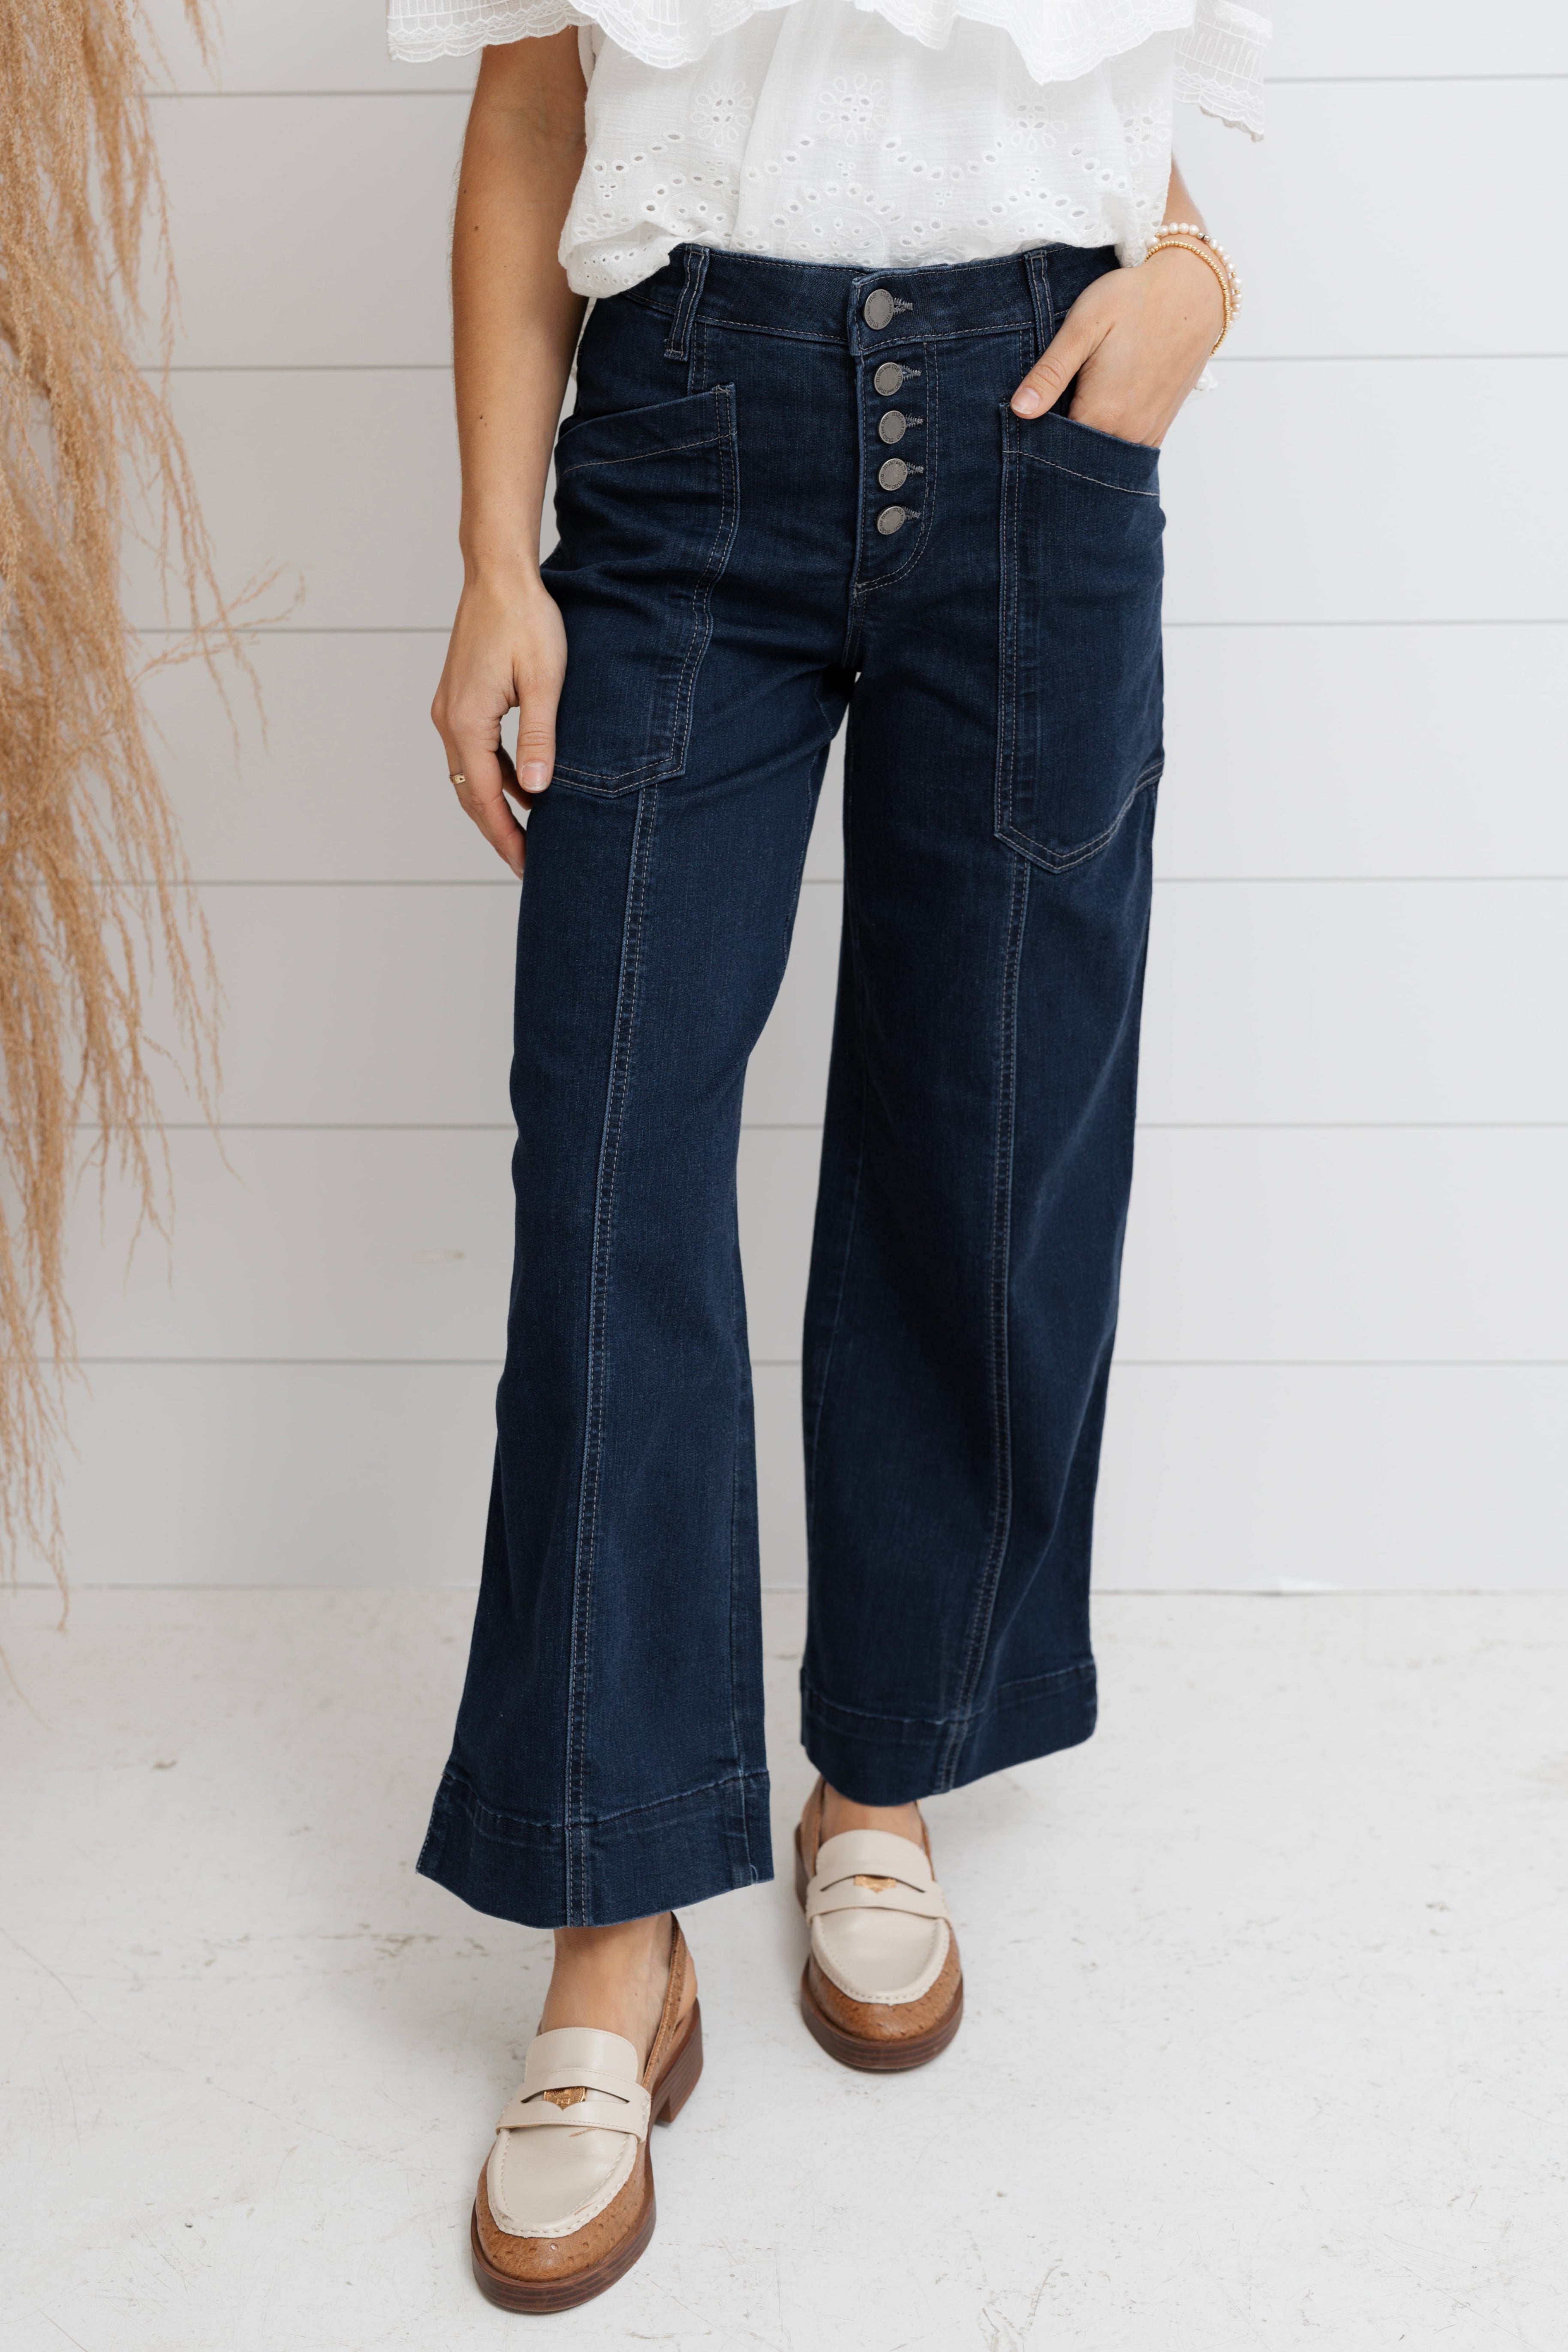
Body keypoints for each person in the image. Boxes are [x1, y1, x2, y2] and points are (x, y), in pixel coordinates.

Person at [390, 0, 1267, 2311]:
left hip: (1040, 426)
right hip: (681, 445)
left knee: (985, 1133)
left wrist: (1198, 279)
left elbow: (1171, 100)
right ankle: (612, 1928)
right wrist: (499, 556)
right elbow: (530, 104)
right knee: (608, 1167)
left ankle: (879, 1775)